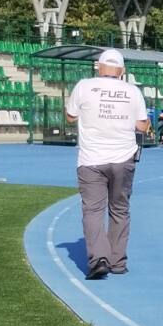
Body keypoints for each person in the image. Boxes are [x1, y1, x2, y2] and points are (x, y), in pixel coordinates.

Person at [65, 48, 150, 280]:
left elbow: (70, 116)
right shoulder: (132, 91)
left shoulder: (84, 86)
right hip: (123, 157)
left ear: (98, 67)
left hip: (91, 159)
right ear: (121, 71)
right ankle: (118, 261)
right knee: (120, 209)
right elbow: (142, 126)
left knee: (93, 210)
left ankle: (98, 259)